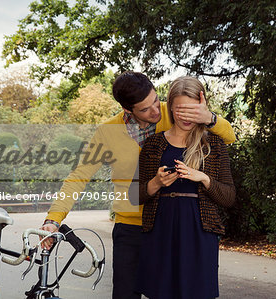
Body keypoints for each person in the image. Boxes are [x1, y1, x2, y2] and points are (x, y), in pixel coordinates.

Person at [40, 71, 236, 299]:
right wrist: (53, 220)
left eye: (155, 100)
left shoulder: (174, 111)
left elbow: (228, 136)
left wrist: (209, 117)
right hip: (131, 227)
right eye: (145, 109)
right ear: (128, 110)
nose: (156, 111)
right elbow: (79, 175)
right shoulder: (107, 132)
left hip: (169, 225)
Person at [135, 76, 236, 299]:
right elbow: (135, 195)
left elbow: (229, 197)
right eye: (181, 109)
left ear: (202, 107)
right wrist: (155, 184)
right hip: (160, 228)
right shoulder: (153, 144)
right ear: (169, 107)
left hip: (200, 231)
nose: (187, 116)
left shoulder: (214, 144)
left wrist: (204, 178)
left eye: (193, 110)